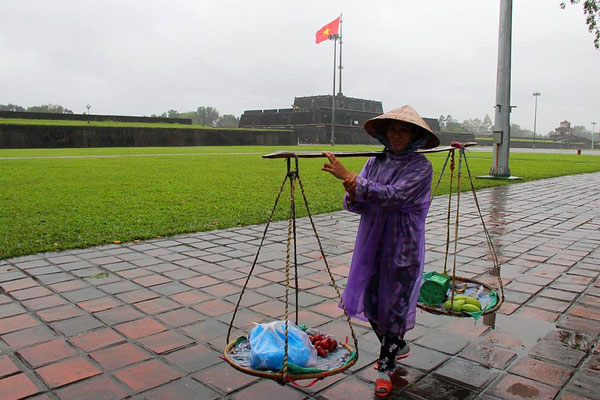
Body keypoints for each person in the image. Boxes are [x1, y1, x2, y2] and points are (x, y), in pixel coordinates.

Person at [321, 105, 439, 397]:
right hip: (372, 240)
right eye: (393, 129)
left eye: (404, 130)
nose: (397, 135)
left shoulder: (421, 167)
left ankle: (386, 368)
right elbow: (357, 203)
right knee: (372, 302)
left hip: (403, 243)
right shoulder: (375, 162)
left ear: (414, 135)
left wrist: (350, 178)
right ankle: (395, 344)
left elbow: (394, 196)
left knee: (395, 307)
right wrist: (351, 188)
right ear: (385, 134)